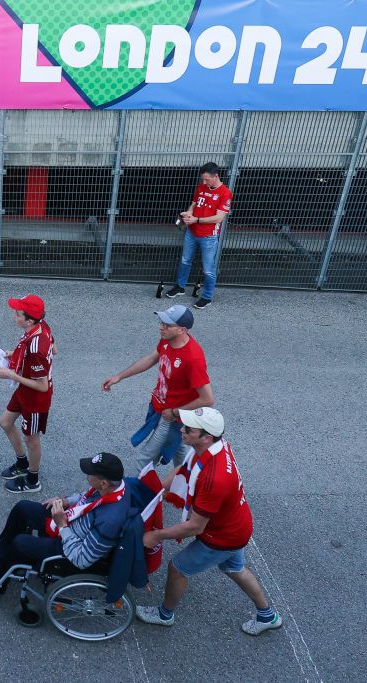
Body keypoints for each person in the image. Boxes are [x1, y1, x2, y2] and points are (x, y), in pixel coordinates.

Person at [135, 407, 283, 636]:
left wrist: (155, 535)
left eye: (189, 429)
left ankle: (165, 614)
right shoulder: (210, 448)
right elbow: (185, 468)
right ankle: (267, 615)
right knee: (235, 568)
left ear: (206, 437)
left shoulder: (214, 478)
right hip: (237, 525)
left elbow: (195, 526)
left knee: (177, 568)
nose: (182, 429)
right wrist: (158, 491)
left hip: (223, 536)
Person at [0, 453, 129, 600]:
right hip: (72, 523)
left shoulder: (109, 522)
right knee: (23, 508)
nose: (87, 475)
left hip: (71, 548)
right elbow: (86, 497)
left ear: (103, 483)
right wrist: (66, 501)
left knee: (21, 543)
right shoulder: (113, 487)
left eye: (90, 473)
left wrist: (62, 525)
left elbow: (81, 560)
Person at [101, 304, 213, 471]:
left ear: (182, 330)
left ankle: (147, 495)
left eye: (167, 325)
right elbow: (151, 358)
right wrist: (119, 376)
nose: (161, 327)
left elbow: (208, 399)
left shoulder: (193, 358)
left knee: (144, 460)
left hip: (171, 416)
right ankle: (184, 486)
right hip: (160, 408)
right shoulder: (168, 340)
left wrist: (174, 412)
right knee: (180, 451)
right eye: (161, 322)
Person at [0, 294, 55, 494]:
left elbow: (43, 386)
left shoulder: (37, 347)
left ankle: (33, 480)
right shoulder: (40, 326)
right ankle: (22, 463)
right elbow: (54, 349)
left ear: (29, 320)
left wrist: (11, 374)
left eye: (18, 314)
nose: (14, 316)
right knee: (5, 422)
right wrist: (15, 354)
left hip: (35, 398)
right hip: (25, 391)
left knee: (32, 439)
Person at [164, 162, 233, 310]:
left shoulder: (225, 193)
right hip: (192, 231)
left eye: (207, 179)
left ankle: (207, 297)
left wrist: (197, 220)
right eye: (202, 179)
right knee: (185, 260)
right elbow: (194, 204)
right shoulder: (201, 187)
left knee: (208, 269)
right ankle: (180, 287)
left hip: (208, 237)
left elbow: (219, 218)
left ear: (216, 176)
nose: (204, 182)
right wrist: (189, 213)